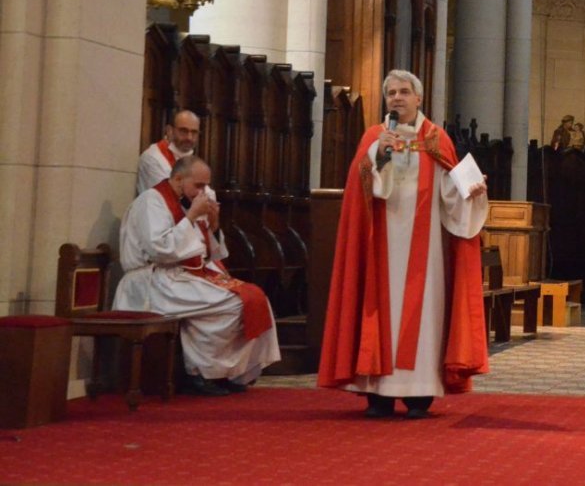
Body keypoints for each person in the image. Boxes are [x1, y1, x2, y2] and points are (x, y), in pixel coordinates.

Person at [318, 69, 490, 419]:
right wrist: (375, 158)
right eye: (391, 93)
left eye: (403, 92)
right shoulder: (374, 136)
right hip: (380, 245)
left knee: (423, 315)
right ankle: (378, 395)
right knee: (378, 310)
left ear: (418, 98)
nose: (396, 98)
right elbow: (360, 188)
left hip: (426, 252)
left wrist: (470, 191)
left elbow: (450, 194)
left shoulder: (436, 139)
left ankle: (418, 395)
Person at [114, 156, 279, 396]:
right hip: (152, 281)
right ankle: (202, 373)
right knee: (231, 303)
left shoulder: (184, 201)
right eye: (199, 186)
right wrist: (191, 217)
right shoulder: (151, 202)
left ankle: (224, 373)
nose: (204, 192)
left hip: (178, 276)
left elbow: (208, 253)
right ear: (179, 179)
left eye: (207, 185)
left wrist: (213, 224)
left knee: (252, 297)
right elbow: (160, 250)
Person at [136, 109, 201, 194]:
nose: (189, 137)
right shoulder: (153, 158)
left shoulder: (190, 159)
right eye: (183, 131)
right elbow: (169, 195)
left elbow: (207, 193)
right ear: (169, 130)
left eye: (194, 132)